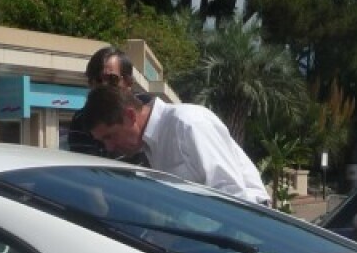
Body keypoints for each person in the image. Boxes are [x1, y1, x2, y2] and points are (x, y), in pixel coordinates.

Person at [81, 84, 271, 206]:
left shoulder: (188, 124)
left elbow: (232, 195)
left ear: (130, 116)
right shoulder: (151, 144)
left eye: (110, 136)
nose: (110, 148)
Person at [66, 47, 151, 166]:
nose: (104, 86)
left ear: (128, 82)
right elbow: (87, 169)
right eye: (97, 80)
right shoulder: (82, 120)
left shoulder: (149, 107)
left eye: (111, 79)